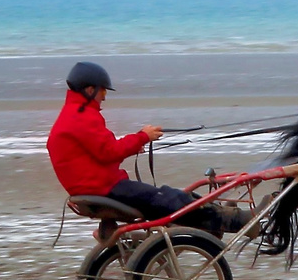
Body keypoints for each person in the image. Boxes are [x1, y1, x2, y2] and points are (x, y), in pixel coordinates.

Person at [46, 61, 243, 234]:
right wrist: (142, 137)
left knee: (172, 195)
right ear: (90, 90)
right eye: (103, 90)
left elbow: (101, 153)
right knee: (165, 199)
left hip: (97, 186)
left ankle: (217, 215)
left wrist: (136, 143)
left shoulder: (73, 114)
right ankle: (232, 221)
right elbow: (109, 152)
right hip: (105, 188)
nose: (104, 96)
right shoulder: (82, 117)